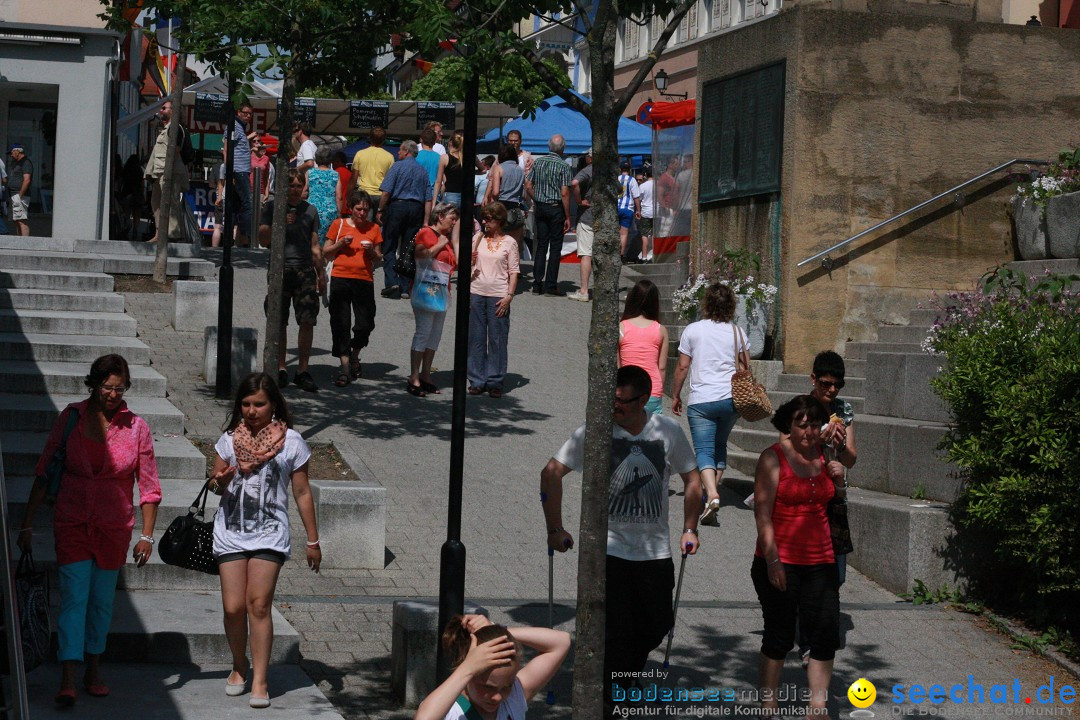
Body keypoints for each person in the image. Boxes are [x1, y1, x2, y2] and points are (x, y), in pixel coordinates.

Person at [541, 364, 702, 719]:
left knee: (657, 622)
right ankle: (613, 695)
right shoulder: (596, 431)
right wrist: (556, 528)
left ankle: (624, 679)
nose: (614, 408)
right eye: (611, 400)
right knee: (616, 630)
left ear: (644, 400)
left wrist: (690, 527)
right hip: (608, 550)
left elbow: (693, 480)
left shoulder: (667, 432)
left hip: (654, 551)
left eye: (622, 403)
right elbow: (551, 472)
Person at [18, 354, 161, 706]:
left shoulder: (136, 427)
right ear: (93, 384)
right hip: (73, 521)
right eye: (107, 387)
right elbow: (44, 470)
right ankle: (68, 675)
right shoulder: (72, 418)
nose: (113, 394)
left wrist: (146, 535)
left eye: (120, 387)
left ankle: (93, 667)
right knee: (73, 598)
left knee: (100, 602)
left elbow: (149, 486)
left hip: (114, 527)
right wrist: (27, 523)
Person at [206, 372, 321, 709]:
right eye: (245, 404)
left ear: (273, 406)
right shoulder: (228, 441)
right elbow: (214, 486)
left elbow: (301, 492)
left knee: (258, 604)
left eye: (259, 404)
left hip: (270, 532)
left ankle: (260, 678)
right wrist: (220, 481)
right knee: (233, 607)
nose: (251, 410)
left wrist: (312, 540)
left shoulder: (293, 443)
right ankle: (239, 665)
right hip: (231, 530)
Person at [752, 395, 845, 719]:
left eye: (814, 424)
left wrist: (840, 479)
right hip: (780, 560)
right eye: (801, 424)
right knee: (778, 636)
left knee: (824, 633)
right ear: (787, 426)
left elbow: (835, 500)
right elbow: (762, 514)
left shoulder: (826, 455)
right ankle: (768, 704)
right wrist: (773, 560)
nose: (808, 431)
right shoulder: (773, 458)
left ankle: (817, 706)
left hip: (821, 561)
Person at [795, 350, 858, 665]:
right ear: (813, 380)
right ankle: (809, 642)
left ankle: (812, 625)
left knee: (837, 572)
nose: (831, 390)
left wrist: (842, 441)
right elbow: (790, 447)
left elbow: (851, 459)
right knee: (811, 572)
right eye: (825, 384)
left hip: (834, 496)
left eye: (837, 385)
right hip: (805, 497)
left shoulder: (844, 410)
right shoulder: (801, 408)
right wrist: (819, 436)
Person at [671, 282, 748, 526]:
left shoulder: (693, 330)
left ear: (706, 304)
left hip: (702, 400)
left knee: (703, 450)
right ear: (731, 306)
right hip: (730, 399)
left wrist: (675, 394)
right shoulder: (738, 332)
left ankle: (712, 494)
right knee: (719, 446)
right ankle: (710, 497)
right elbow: (746, 367)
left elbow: (683, 366)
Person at [413, 614, 570, 720]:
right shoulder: (451, 710)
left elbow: (561, 642)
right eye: (487, 687)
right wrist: (467, 669)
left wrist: (497, 630)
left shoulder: (514, 696)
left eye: (505, 687)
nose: (498, 697)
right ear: (469, 672)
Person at [258, 169, 325, 393]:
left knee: (307, 319)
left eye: (299, 186)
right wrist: (280, 223)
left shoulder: (310, 210)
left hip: (304, 270)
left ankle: (303, 370)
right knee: (279, 320)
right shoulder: (272, 208)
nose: (295, 191)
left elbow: (315, 244)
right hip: (280, 269)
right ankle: (281, 368)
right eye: (291, 186)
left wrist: (321, 273)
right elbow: (263, 239)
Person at [323, 190, 382, 387]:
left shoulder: (374, 228)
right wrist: (340, 243)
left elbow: (379, 257)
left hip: (364, 279)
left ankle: (355, 354)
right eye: (358, 209)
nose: (362, 213)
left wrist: (371, 251)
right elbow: (326, 251)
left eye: (366, 210)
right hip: (340, 277)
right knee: (340, 322)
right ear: (351, 208)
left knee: (365, 323)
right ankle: (345, 368)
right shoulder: (338, 225)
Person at [406, 202, 459, 397]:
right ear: (440, 217)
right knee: (423, 332)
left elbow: (450, 263)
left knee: (435, 335)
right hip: (425, 290)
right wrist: (440, 244)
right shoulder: (426, 233)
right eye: (452, 218)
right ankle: (414, 376)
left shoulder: (446, 238)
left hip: (441, 292)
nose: (454, 222)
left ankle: (426, 373)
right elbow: (420, 255)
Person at [468, 202, 519, 398]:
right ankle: (477, 379)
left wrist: (509, 296)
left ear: (498, 221)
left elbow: (514, 272)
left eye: (488, 219)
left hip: (499, 294)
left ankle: (495, 380)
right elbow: (466, 267)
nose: (484, 222)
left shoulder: (509, 242)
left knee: (497, 339)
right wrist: (470, 260)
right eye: (484, 218)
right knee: (476, 338)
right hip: (476, 291)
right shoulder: (477, 238)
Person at [377, 140, 430, 300]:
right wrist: (426, 220)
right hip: (416, 209)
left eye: (400, 150)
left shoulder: (397, 167)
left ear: (406, 151)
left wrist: (380, 209)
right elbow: (428, 198)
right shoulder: (422, 171)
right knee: (408, 248)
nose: (398, 153)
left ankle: (392, 283)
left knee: (390, 245)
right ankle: (405, 287)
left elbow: (386, 192)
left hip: (397, 207)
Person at [525, 133, 573, 296]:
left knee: (541, 245)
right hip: (555, 207)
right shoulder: (564, 166)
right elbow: (565, 193)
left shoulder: (538, 163)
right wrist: (568, 216)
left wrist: (537, 199)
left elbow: (528, 185)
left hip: (541, 207)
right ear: (563, 148)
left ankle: (537, 284)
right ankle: (551, 285)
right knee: (555, 247)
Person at [619, 279, 669, 415]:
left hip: (627, 389)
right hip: (653, 389)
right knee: (653, 430)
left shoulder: (621, 327)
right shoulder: (661, 330)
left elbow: (617, 365)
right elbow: (662, 367)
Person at [143, 101, 190, 243]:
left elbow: (175, 151)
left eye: (164, 108)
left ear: (173, 111)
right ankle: (159, 233)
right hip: (160, 171)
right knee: (156, 201)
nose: (161, 110)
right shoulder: (166, 129)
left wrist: (168, 172)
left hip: (171, 172)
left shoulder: (175, 128)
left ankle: (172, 235)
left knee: (171, 202)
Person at [484, 145, 528, 276]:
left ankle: (499, 271)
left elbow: (496, 191)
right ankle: (514, 271)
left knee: (499, 240)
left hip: (502, 207)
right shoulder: (520, 170)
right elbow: (523, 192)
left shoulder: (498, 168)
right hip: (516, 207)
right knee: (514, 243)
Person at [223, 103, 256, 246]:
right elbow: (226, 149)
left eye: (250, 114)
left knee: (235, 205)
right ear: (238, 112)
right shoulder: (234, 126)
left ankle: (230, 237)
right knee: (247, 204)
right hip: (238, 170)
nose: (248, 116)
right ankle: (244, 237)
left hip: (239, 170)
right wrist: (229, 171)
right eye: (245, 113)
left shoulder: (240, 128)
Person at [568, 149, 593, 302]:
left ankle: (584, 290)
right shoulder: (609, 171)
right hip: (603, 218)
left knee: (586, 254)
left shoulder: (588, 170)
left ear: (590, 158)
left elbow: (574, 182)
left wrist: (578, 201)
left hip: (587, 216)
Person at [306, 147, 343, 244]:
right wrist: (340, 214)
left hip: (312, 209)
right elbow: (339, 197)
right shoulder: (335, 174)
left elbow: (304, 191)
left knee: (312, 238)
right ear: (330, 160)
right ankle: (325, 258)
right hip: (330, 211)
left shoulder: (310, 173)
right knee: (328, 239)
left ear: (316, 159)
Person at [351, 126, 394, 200]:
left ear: (370, 138)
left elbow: (353, 178)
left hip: (363, 194)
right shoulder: (390, 157)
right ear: (384, 140)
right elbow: (391, 180)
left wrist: (349, 196)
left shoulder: (360, 154)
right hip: (380, 195)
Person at [616, 161, 642, 262]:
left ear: (620, 169)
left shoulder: (616, 179)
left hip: (616, 208)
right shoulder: (632, 180)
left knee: (615, 232)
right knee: (624, 233)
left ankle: (613, 253)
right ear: (629, 170)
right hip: (628, 209)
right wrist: (638, 210)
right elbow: (636, 197)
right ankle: (621, 255)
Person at [7, 143, 33, 236]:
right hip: (13, 195)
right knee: (16, 220)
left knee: (21, 220)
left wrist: (20, 195)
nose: (11, 154)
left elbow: (27, 180)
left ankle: (25, 244)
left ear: (18, 151)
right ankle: (19, 241)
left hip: (20, 195)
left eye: (12, 152)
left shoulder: (26, 162)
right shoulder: (15, 162)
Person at [416, 127, 441, 200]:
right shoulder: (440, 158)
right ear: (434, 142)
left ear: (421, 140)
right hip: (434, 194)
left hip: (418, 193)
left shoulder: (415, 156)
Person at [637, 166, 655, 262]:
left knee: (644, 235)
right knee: (654, 234)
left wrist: (638, 211)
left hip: (646, 212)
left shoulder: (642, 186)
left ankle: (644, 257)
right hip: (656, 212)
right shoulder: (659, 185)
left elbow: (639, 199)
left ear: (646, 175)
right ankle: (654, 255)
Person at [330, 151, 352, 216]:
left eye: (333, 161)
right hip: (348, 208)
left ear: (338, 161)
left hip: (337, 207)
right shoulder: (351, 174)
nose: (332, 163)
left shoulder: (334, 174)